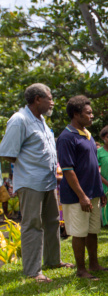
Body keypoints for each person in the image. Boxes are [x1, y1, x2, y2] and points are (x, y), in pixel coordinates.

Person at [0, 83, 72, 282]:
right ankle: (33, 270)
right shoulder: (19, 120)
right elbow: (6, 153)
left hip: (47, 181)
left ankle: (53, 260)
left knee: (52, 221)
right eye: (49, 97)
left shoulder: (41, 121)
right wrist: (26, 167)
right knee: (32, 224)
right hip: (30, 182)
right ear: (37, 99)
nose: (52, 102)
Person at [57, 96, 108, 280]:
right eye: (88, 113)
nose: (92, 116)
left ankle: (94, 264)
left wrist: (99, 191)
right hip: (76, 196)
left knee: (92, 230)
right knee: (79, 233)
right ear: (76, 114)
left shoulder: (87, 134)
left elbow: (94, 166)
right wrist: (82, 195)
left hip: (93, 192)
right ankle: (81, 270)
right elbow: (68, 170)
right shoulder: (66, 138)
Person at [97, 125, 108, 227]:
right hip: (104, 183)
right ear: (103, 138)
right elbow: (97, 171)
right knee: (107, 205)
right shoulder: (99, 152)